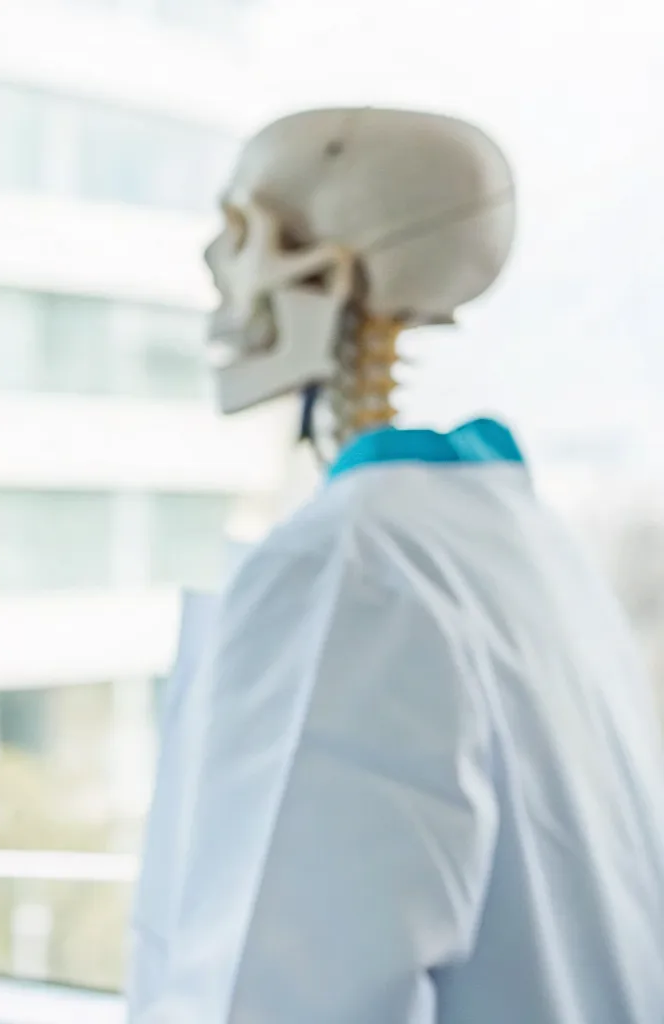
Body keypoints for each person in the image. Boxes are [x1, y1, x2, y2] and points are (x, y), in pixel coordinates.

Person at [128, 108, 664, 1023]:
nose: (215, 266)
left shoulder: (348, 570)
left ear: (330, 268)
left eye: (244, 232)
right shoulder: (528, 547)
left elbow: (286, 997)